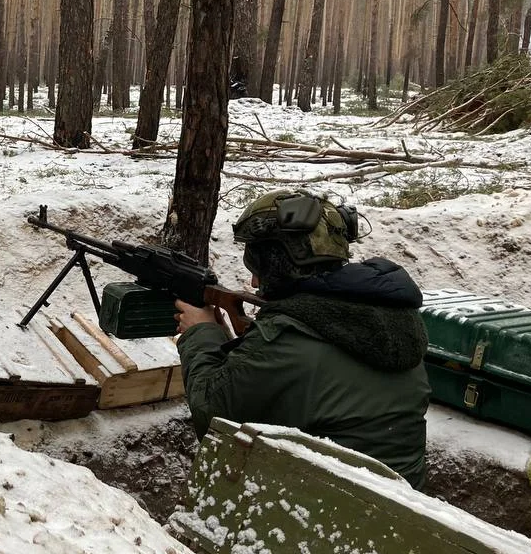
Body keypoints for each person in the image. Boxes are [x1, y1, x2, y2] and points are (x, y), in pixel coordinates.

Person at [174, 190, 430, 488]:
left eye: (258, 264)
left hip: (327, 510)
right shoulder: (388, 319)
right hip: (400, 502)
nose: (255, 281)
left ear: (283, 261)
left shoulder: (287, 337)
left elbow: (211, 414)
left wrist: (200, 331)